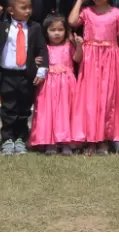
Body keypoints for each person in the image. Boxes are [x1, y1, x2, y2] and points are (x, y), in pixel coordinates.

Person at [68, 0, 119, 156]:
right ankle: (90, 140)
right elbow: (72, 21)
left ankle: (104, 139)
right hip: (90, 59)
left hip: (110, 59)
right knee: (90, 99)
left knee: (107, 98)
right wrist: (80, 0)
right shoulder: (87, 12)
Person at [0, 0, 48, 156]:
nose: (28, 11)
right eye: (23, 7)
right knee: (8, 109)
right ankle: (7, 139)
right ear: (11, 10)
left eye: (30, 7)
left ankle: (21, 138)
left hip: (26, 75)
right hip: (8, 75)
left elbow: (42, 49)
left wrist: (42, 70)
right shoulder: (3, 26)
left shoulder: (35, 27)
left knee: (24, 109)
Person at [29, 14, 80, 155]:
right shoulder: (44, 48)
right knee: (48, 111)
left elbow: (77, 59)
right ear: (46, 32)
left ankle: (66, 142)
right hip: (48, 84)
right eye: (52, 30)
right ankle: (49, 142)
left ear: (66, 31)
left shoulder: (69, 46)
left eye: (60, 29)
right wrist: (34, 61)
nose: (57, 33)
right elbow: (35, 61)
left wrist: (79, 45)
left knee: (66, 112)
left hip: (67, 85)